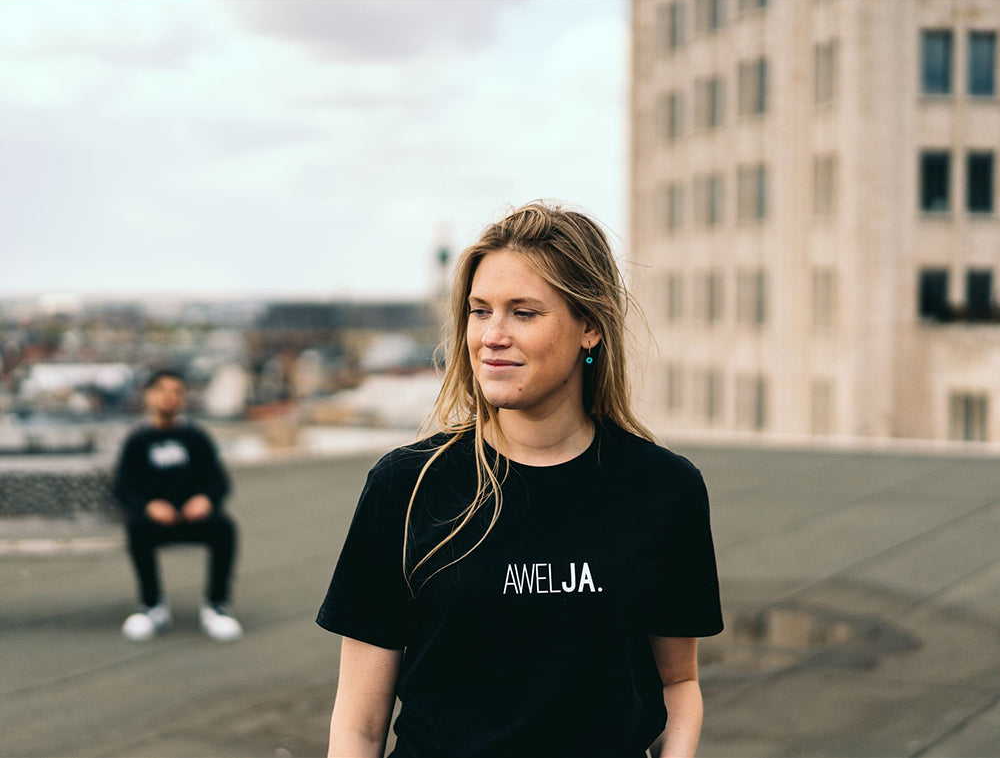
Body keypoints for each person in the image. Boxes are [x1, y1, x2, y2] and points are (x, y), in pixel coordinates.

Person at [317, 202, 723, 758]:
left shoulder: (664, 489)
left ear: (591, 326)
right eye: (480, 311)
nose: (492, 336)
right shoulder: (406, 486)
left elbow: (677, 683)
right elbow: (359, 726)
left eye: (523, 313)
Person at [114, 368, 243, 642]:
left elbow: (220, 483)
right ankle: (152, 606)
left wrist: (206, 500)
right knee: (136, 528)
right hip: (155, 522)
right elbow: (122, 488)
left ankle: (216, 606)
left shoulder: (197, 438)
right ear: (149, 396)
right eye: (162, 390)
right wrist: (148, 506)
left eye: (177, 392)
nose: (169, 397)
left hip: (194, 519)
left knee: (225, 528)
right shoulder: (137, 440)